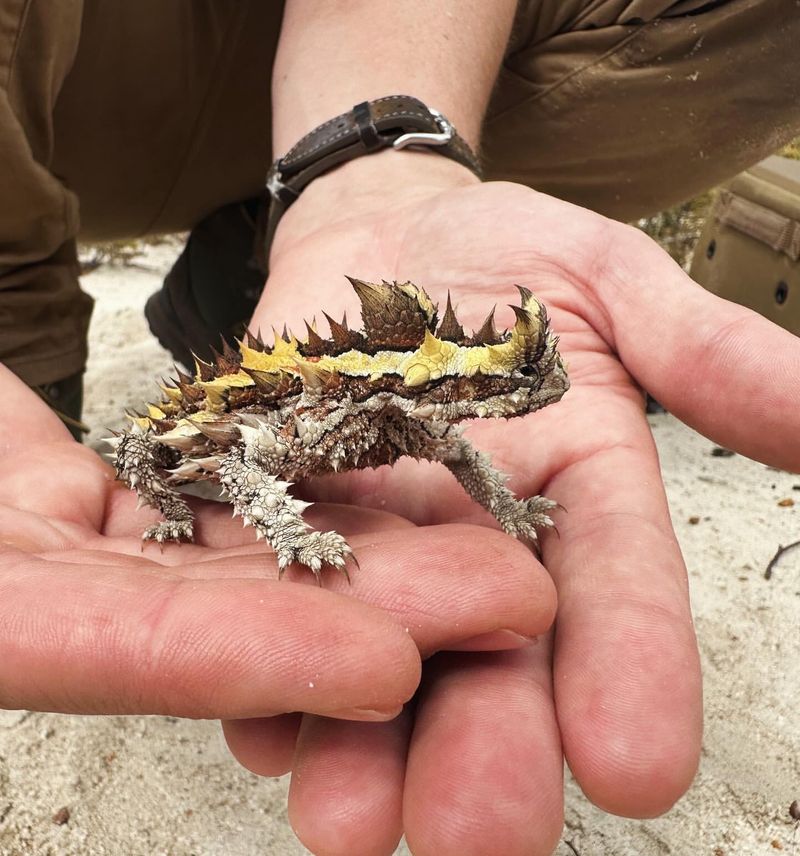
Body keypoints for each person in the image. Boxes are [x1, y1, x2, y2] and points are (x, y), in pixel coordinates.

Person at [1, 2, 799, 854]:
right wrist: (278, 530)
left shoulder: (424, 423)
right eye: (486, 388)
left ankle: (254, 236)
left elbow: (457, 449)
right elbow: (242, 466)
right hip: (73, 115)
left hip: (254, 88)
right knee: (135, 450)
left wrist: (369, 168)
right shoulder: (353, 417)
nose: (491, 411)